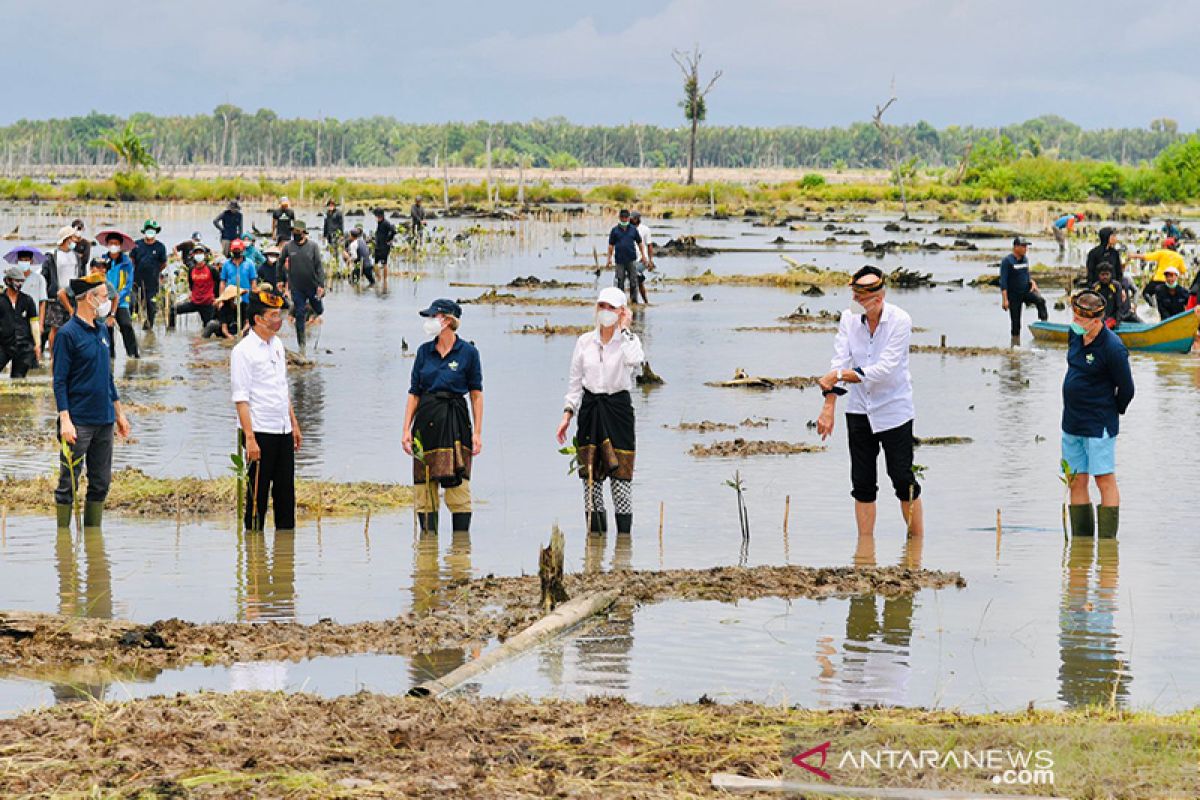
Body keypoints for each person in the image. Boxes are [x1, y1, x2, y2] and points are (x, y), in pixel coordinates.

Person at [816, 266, 923, 537]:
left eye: (863, 298)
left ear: (879, 297)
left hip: (894, 409)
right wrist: (829, 406)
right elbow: (838, 360)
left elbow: (884, 369)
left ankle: (916, 547)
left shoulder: (900, 320)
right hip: (859, 410)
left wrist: (840, 375)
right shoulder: (849, 320)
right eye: (855, 296)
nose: (857, 303)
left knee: (902, 480)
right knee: (862, 483)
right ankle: (865, 552)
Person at [555, 287, 645, 534]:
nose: (606, 312)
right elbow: (575, 385)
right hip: (591, 411)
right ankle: (594, 547)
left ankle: (623, 548)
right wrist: (567, 415)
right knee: (591, 481)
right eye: (602, 306)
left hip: (618, 410)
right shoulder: (584, 342)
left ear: (621, 312)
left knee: (621, 481)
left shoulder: (628, 341)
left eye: (612, 308)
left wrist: (625, 328)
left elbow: (635, 361)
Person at [53, 272, 132, 528]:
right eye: (104, 297)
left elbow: (107, 376)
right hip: (79, 421)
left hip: (104, 419)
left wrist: (119, 413)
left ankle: (92, 541)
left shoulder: (102, 331)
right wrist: (65, 419)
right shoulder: (68, 334)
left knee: (101, 483)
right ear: (89, 299)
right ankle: (64, 543)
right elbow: (59, 381)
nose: (108, 301)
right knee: (69, 482)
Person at [401, 299, 483, 534]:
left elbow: (476, 395)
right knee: (424, 488)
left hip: (456, 423)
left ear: (447, 320)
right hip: (425, 424)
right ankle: (427, 555)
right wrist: (406, 429)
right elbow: (414, 393)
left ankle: (460, 553)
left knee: (458, 487)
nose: (428, 322)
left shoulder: (468, 353)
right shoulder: (424, 352)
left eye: (432, 317)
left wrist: (477, 432)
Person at [1061, 290, 1134, 539]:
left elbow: (1127, 389)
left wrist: (1112, 411)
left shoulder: (1113, 348)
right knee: (1075, 480)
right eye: (1074, 315)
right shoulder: (1074, 334)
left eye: (1081, 319)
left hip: (1099, 423)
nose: (1075, 322)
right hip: (1071, 421)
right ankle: (1081, 550)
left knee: (1104, 480)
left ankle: (1107, 548)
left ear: (1096, 320)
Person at [231, 288, 301, 532]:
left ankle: (285, 559)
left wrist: (293, 423)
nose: (278, 319)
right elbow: (241, 399)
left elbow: (282, 387)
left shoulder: (278, 345)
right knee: (256, 498)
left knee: (285, 496)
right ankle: (255, 558)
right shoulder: (242, 351)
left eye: (278, 314)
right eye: (273, 315)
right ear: (259, 319)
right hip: (259, 431)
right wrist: (249, 438)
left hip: (282, 428)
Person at [280, 221, 325, 352]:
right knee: (299, 314)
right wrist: (280, 281)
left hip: (312, 285)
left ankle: (314, 314)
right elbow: (280, 263)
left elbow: (319, 267)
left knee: (319, 309)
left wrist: (321, 285)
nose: (295, 235)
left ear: (304, 233)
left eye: (298, 232)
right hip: (297, 287)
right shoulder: (288, 247)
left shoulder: (313, 246)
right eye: (293, 232)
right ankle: (302, 345)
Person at [998, 236, 1048, 340]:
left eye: (1026, 246)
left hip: (1026, 291)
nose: (1026, 249)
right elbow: (1003, 282)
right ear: (1016, 247)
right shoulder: (1007, 261)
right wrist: (1005, 300)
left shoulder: (1025, 259)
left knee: (1040, 300)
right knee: (1016, 323)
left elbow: (1026, 274)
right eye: (1023, 246)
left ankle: (1045, 325)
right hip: (1014, 295)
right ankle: (1015, 343)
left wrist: (1032, 282)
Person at [43, 226, 81, 357]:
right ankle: (53, 354)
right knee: (55, 327)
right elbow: (45, 276)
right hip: (56, 296)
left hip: (73, 295)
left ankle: (70, 353)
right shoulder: (52, 256)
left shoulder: (76, 256)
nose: (75, 240)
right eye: (73, 238)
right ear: (67, 239)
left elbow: (80, 274)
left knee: (73, 326)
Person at [101, 231, 138, 359]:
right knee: (106, 329)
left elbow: (128, 285)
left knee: (126, 325)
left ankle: (133, 354)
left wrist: (116, 298)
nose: (113, 246)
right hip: (105, 300)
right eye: (111, 243)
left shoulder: (126, 263)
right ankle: (109, 357)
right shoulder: (102, 260)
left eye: (116, 243)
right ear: (107, 244)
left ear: (121, 246)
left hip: (121, 301)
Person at [8, 248, 47, 365]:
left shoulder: (39, 279)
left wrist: (41, 323)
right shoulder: (13, 280)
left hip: (33, 319)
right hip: (17, 320)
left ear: (31, 261)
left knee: (35, 349)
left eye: (26, 260)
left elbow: (42, 302)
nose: (23, 262)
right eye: (21, 260)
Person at [0, 265, 37, 378]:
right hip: (3, 344)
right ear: (8, 280)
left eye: (22, 281)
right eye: (17, 281)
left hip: (23, 346)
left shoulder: (28, 300)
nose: (19, 284)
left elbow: (34, 322)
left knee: (18, 379)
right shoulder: (1, 300)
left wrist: (38, 344)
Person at [129, 220, 167, 330]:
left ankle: (149, 327)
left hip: (152, 283)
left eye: (153, 230)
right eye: (148, 229)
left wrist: (155, 272)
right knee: (132, 303)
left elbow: (163, 263)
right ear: (144, 231)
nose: (150, 232)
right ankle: (130, 326)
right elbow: (132, 261)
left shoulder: (160, 247)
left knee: (151, 306)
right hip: (136, 281)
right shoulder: (136, 245)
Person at [1128, 237, 1187, 305]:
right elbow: (1183, 271)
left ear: (1165, 246)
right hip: (1171, 283)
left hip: (1158, 280)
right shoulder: (1179, 257)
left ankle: (1153, 308)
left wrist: (1133, 255)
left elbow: (1147, 257)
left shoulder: (1162, 252)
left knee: (1146, 293)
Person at [173, 244, 220, 328]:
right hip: (195, 302)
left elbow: (219, 283)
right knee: (173, 310)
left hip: (208, 303)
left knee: (208, 328)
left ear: (205, 255)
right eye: (196, 253)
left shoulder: (211, 269)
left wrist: (217, 299)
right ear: (193, 255)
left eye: (200, 253)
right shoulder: (191, 269)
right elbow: (191, 285)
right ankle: (171, 334)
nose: (199, 255)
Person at [605, 209, 646, 303]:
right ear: (619, 218)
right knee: (620, 281)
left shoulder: (633, 229)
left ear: (628, 218)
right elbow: (611, 246)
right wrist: (609, 259)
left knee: (633, 281)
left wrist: (643, 256)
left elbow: (640, 243)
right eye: (622, 217)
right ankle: (621, 301)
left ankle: (634, 300)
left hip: (631, 259)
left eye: (626, 217)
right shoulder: (614, 231)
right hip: (619, 260)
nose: (624, 219)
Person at [219, 239, 258, 327]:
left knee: (247, 321)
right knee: (227, 320)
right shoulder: (226, 264)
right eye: (235, 250)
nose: (236, 252)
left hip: (245, 298)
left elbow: (253, 281)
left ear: (242, 250)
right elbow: (222, 282)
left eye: (238, 250)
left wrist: (253, 297)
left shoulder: (249, 264)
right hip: (230, 299)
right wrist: (221, 299)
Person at [631, 211, 654, 304]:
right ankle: (641, 301)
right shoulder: (627, 229)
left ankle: (639, 301)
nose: (630, 220)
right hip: (630, 259)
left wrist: (650, 260)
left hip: (642, 260)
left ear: (637, 219)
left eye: (632, 218)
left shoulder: (645, 229)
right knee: (637, 281)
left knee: (635, 277)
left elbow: (649, 245)